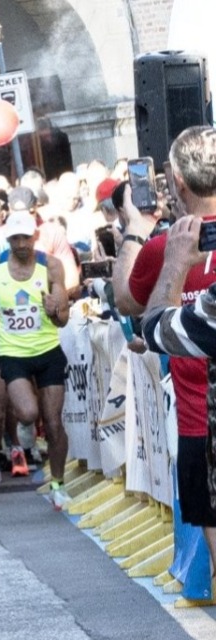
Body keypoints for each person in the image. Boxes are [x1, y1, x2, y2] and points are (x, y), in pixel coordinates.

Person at [120, 126, 216, 562]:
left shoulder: (169, 245)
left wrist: (136, 232)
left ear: (177, 181)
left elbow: (147, 320)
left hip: (202, 429)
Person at [0, 212, 71, 509]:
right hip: (13, 352)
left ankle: (58, 483)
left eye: (26, 237)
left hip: (48, 350)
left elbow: (63, 320)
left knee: (53, 422)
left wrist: (55, 310)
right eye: (15, 238)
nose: (21, 244)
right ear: (8, 239)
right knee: (28, 413)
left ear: (35, 237)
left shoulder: (52, 266)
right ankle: (26, 432)